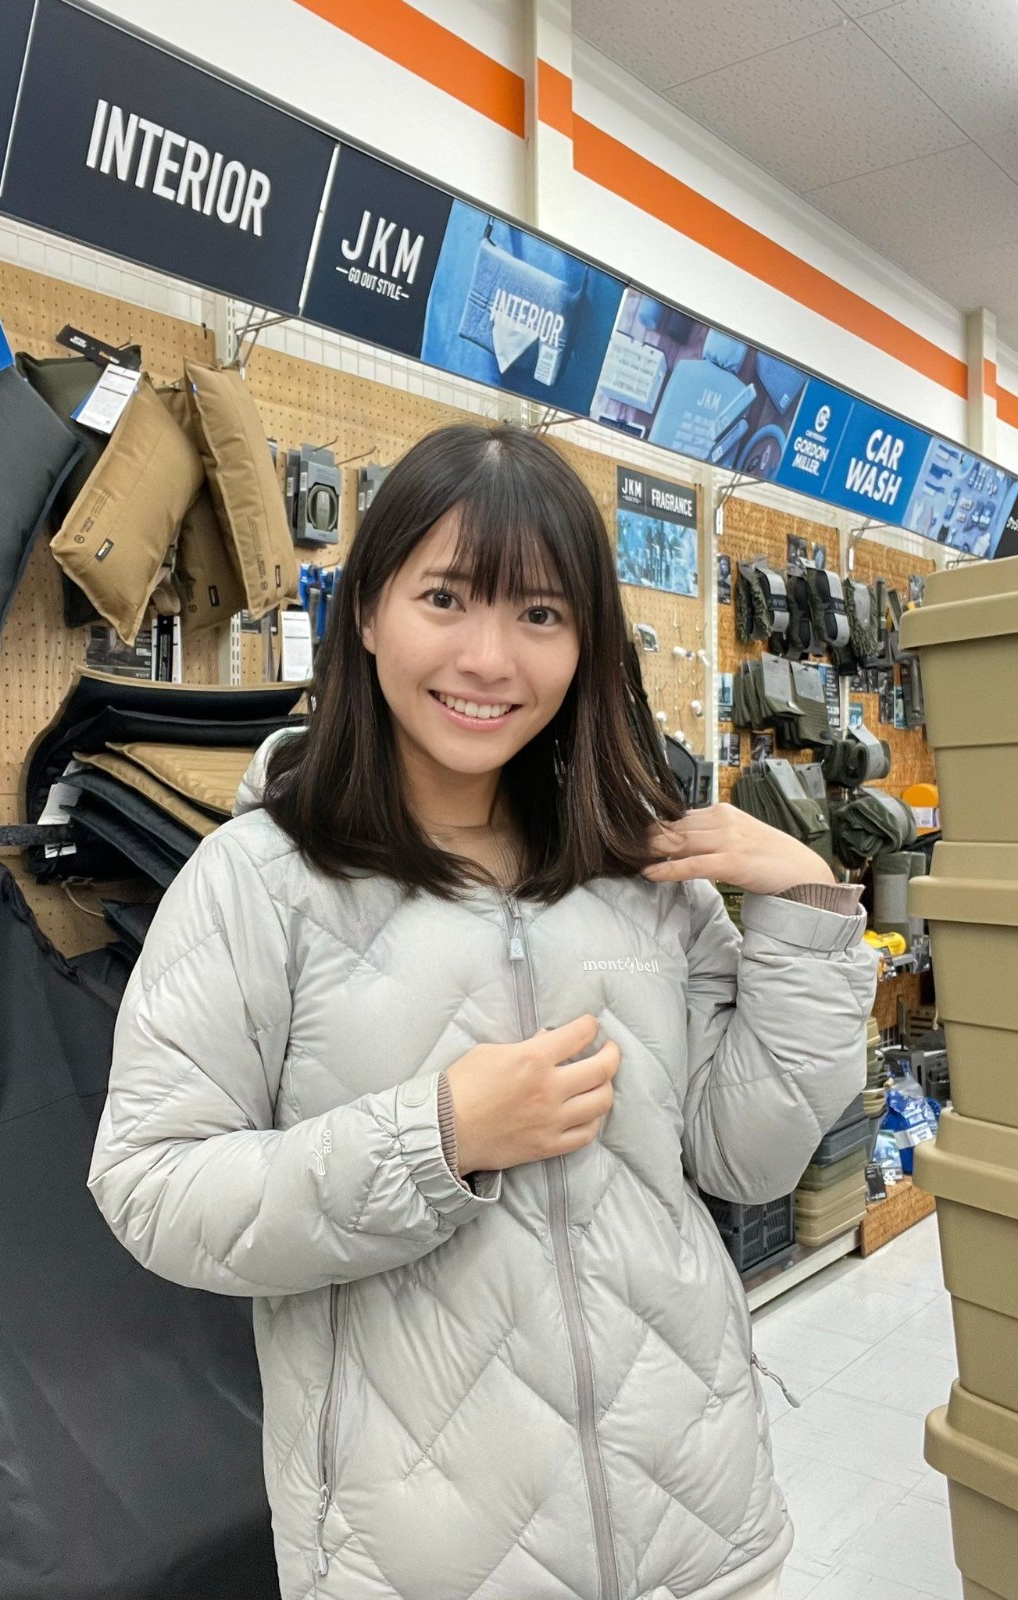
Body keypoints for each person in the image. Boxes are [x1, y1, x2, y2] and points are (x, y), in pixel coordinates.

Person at [88, 424, 876, 1600]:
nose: (489, 658)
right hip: (420, 1560)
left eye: (541, 613)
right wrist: (435, 1138)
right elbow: (153, 1185)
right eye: (446, 598)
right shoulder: (259, 882)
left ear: (587, 643)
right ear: (367, 610)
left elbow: (748, 1159)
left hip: (693, 1528)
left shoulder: (641, 875)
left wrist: (806, 914)